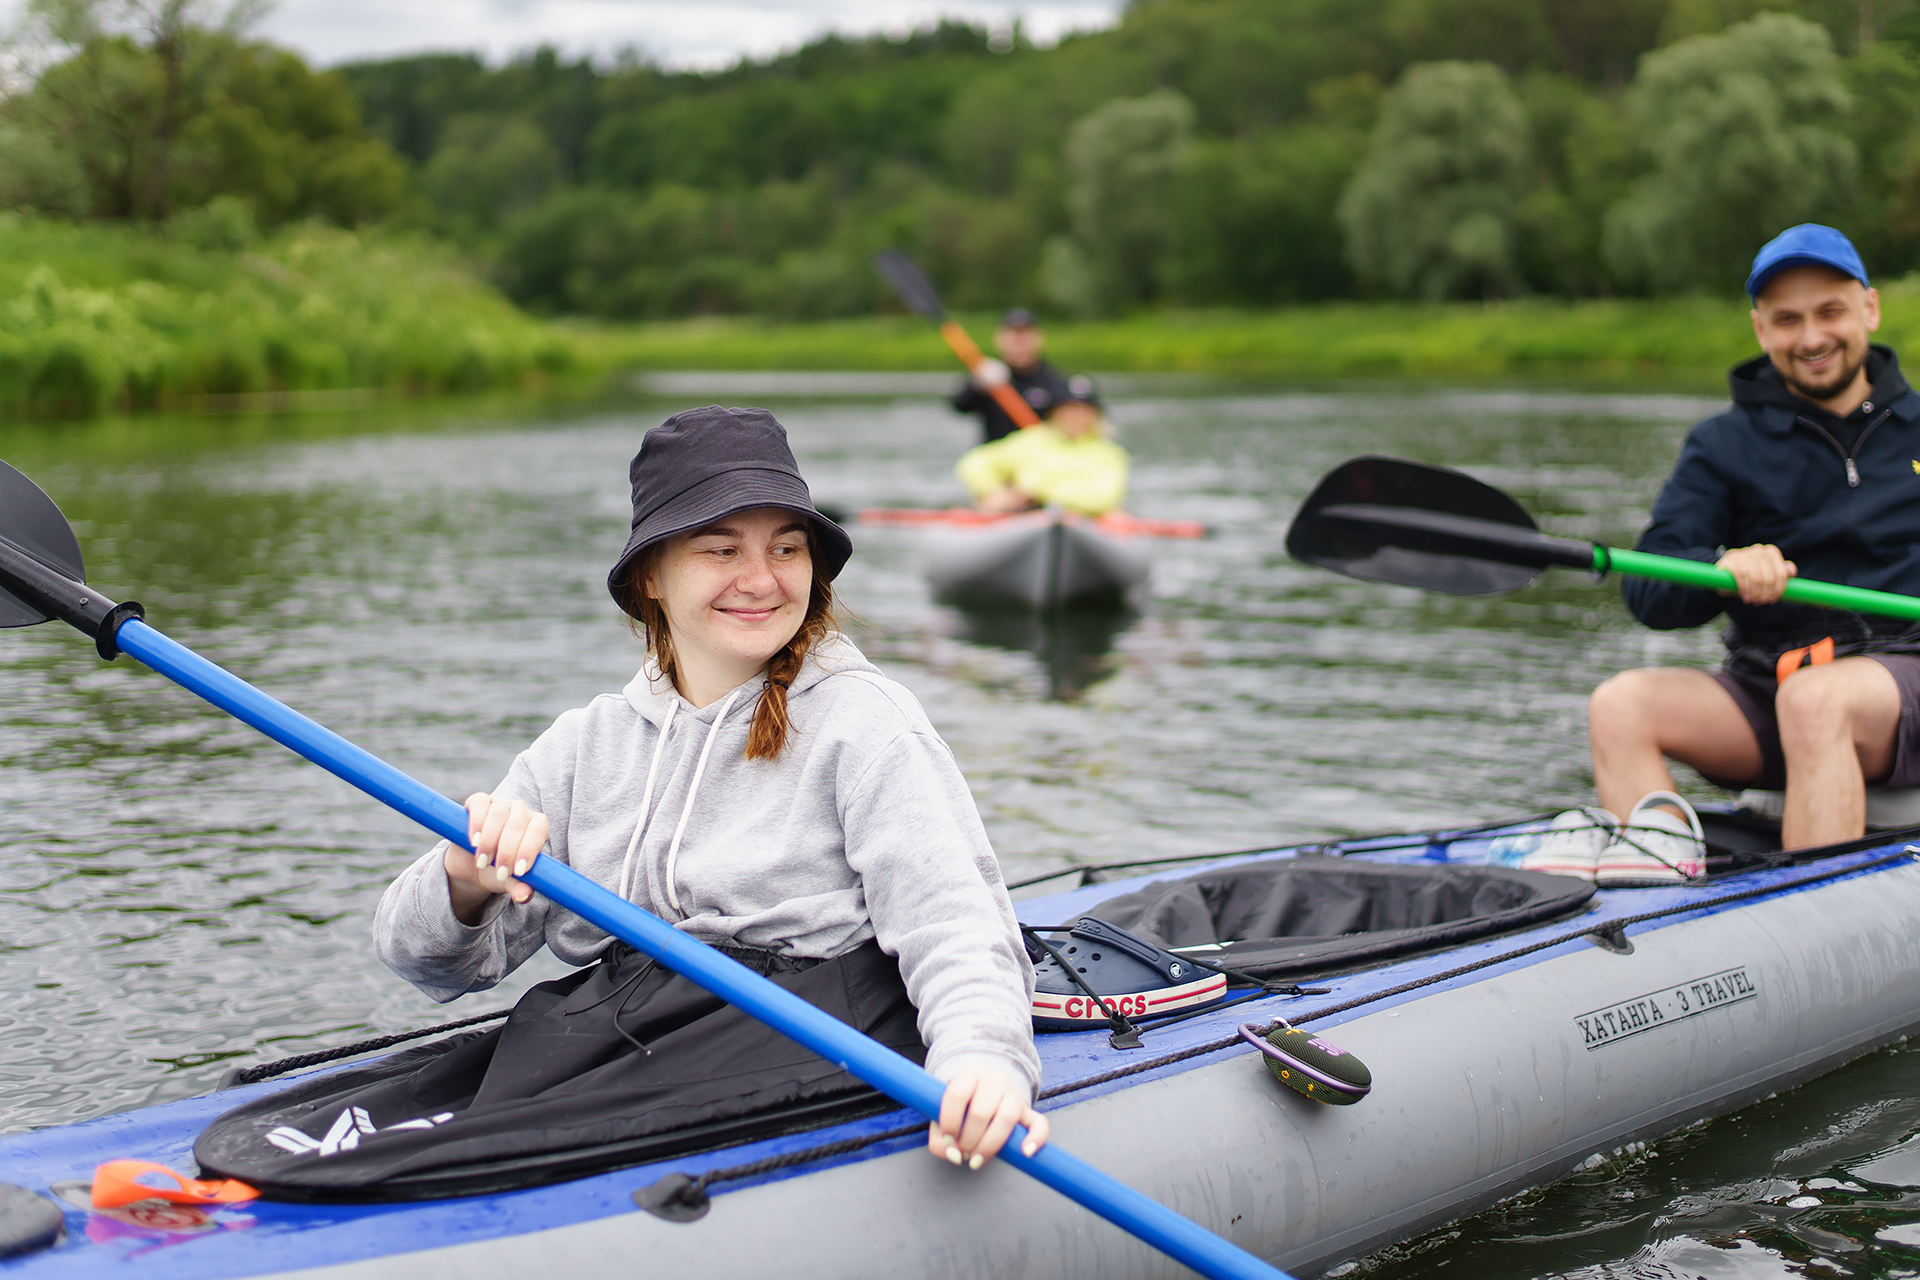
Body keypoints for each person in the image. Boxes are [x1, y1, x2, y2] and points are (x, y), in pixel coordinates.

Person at [199, 407, 1047, 1195]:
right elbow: (426, 964)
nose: (762, 578)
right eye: (721, 549)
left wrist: (984, 1062)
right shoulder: (587, 745)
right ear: (651, 577)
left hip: (803, 1030)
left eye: (787, 549)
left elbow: (955, 921)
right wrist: (465, 875)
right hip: (628, 1025)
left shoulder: (866, 722)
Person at [1524, 224, 1920, 886]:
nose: (1812, 337)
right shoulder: (1720, 445)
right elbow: (1649, 595)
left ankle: (1811, 923)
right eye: (1788, 320)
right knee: (1620, 705)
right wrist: (1722, 573)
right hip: (1771, 686)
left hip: (1902, 679)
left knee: (1816, 702)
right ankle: (1664, 920)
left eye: (1830, 312)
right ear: (1761, 331)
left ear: (1869, 310)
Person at [955, 375, 1130, 516]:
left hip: (1082, 524)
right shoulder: (1032, 440)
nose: (1075, 417)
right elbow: (974, 462)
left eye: (1082, 411)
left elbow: (1103, 498)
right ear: (1054, 413)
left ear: (1095, 416)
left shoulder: (1109, 454)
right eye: (1068, 410)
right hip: (1025, 518)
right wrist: (992, 490)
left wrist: (1038, 492)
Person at [951, 307, 1071, 443]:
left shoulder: (1055, 380)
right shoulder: (988, 377)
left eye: (1025, 334)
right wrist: (976, 385)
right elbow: (959, 407)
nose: (1019, 341)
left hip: (1036, 457)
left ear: (1039, 338)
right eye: (1013, 334)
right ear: (999, 339)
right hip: (995, 456)